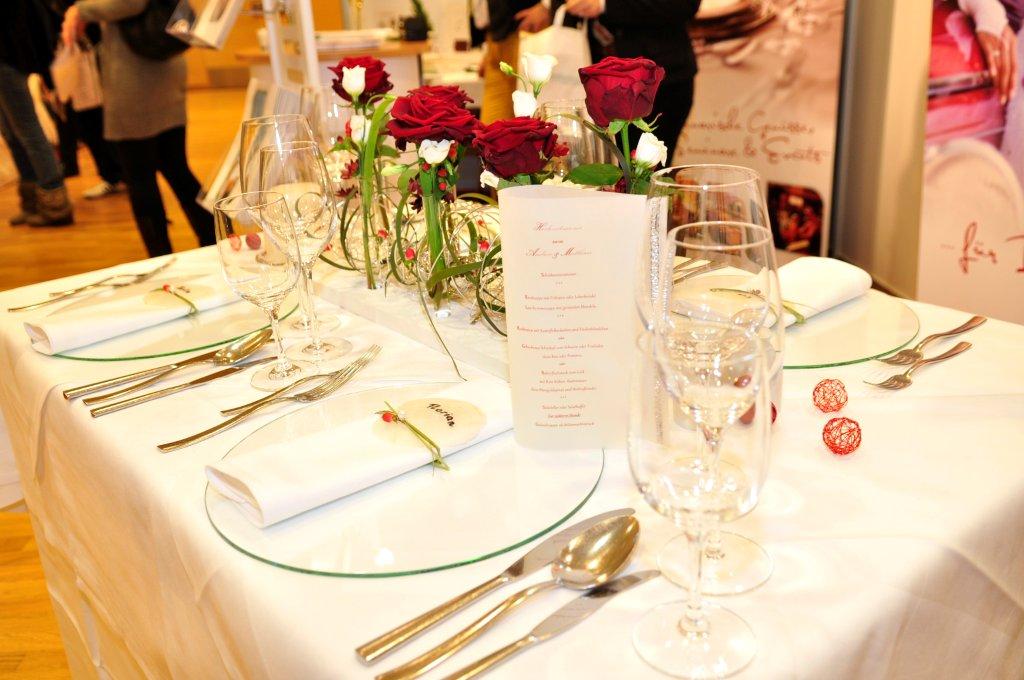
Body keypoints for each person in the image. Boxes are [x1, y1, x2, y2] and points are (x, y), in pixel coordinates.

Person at [62, 0, 214, 256]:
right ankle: (215, 239)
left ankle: (161, 256)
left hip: (136, 80)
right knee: (175, 169)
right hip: (158, 69)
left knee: (142, 178)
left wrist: (80, 10)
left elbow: (130, 2)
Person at [554, 0, 700, 163]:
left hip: (656, 84)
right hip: (593, 80)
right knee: (594, 168)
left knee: (645, 171)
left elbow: (685, 4)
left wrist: (605, 5)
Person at [0, 0, 75, 227]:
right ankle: (32, 201)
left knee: (28, 133)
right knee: (12, 135)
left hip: (7, 61)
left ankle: (56, 205)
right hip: (9, 60)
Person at [473, 0, 552, 123]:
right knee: (491, 128)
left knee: (539, 121)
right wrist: (489, 48)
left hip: (532, 35)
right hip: (497, 39)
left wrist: (548, 5)